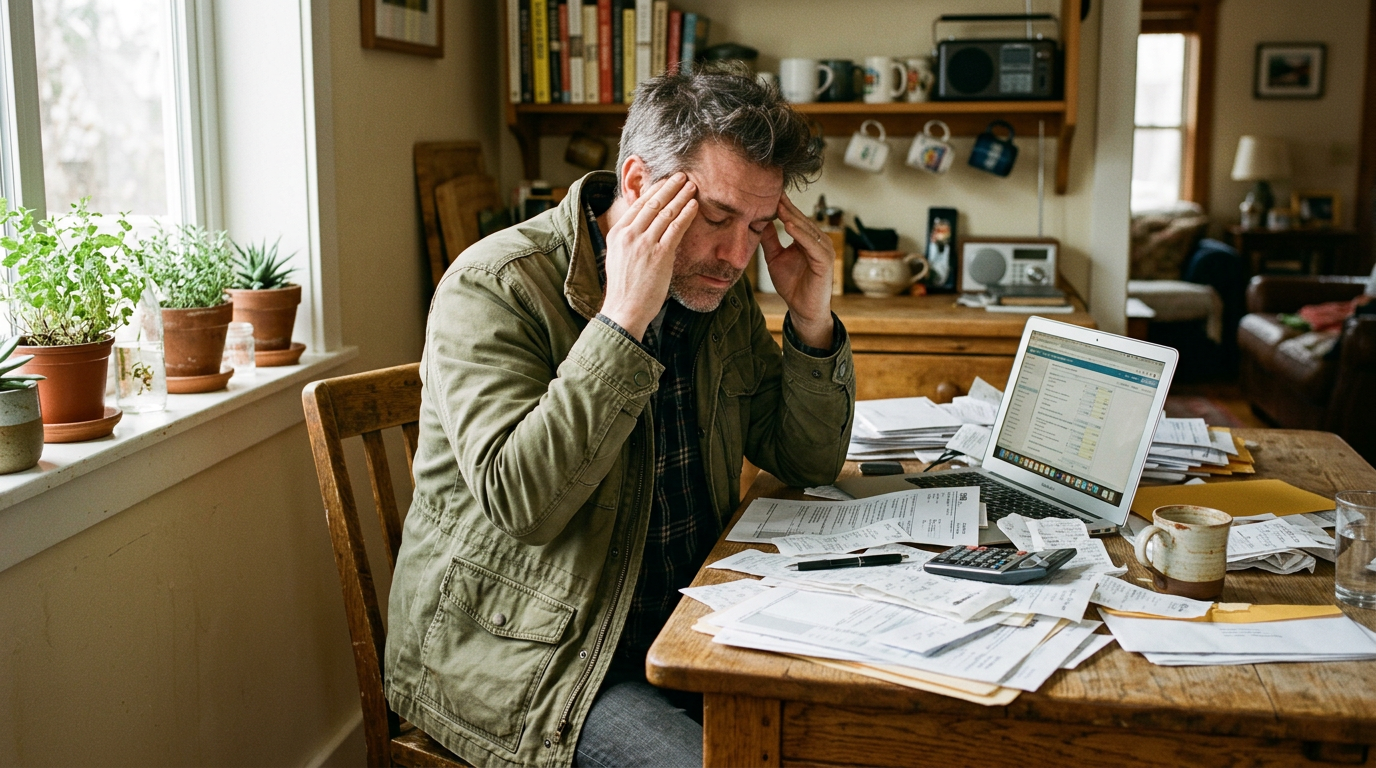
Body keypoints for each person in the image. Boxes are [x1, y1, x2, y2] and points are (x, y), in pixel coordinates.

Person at [384, 70, 856, 768]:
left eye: (758, 227)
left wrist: (811, 320)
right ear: (637, 183)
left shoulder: (714, 293)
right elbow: (524, 503)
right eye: (718, 217)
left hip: (688, 622)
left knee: (868, 726)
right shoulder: (494, 286)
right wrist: (624, 318)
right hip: (538, 662)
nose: (736, 258)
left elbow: (805, 459)